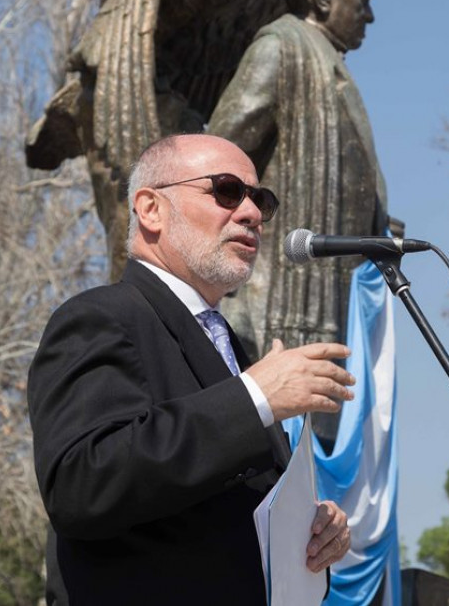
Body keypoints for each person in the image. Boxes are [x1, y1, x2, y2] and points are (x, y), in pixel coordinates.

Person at [27, 133, 355, 604]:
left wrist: (314, 531)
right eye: (225, 191)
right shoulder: (100, 317)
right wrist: (253, 398)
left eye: (261, 199)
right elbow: (80, 483)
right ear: (150, 208)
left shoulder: (232, 349)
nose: (252, 213)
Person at [208, 0, 390, 364]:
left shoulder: (328, 62)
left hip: (338, 299)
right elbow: (218, 160)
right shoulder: (281, 49)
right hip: (278, 301)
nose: (370, 16)